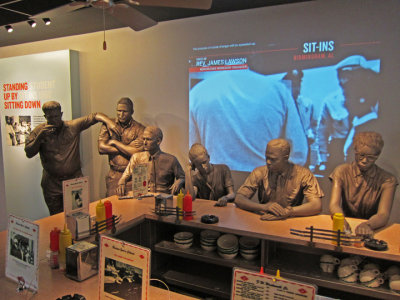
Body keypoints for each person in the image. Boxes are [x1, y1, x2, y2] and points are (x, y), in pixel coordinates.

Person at [189, 68, 308, 172]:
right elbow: (298, 153)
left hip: (213, 188)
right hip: (265, 189)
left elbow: (191, 151)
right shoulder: (278, 90)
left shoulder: (198, 93)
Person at [24, 101, 116, 215]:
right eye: (50, 117)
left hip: (74, 180)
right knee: (56, 218)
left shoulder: (72, 126)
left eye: (56, 116)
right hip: (52, 184)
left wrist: (110, 122)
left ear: (61, 114)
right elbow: (29, 153)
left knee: (79, 216)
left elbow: (95, 116)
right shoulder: (39, 131)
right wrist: (39, 138)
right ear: (45, 117)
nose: (54, 120)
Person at [316, 55, 380, 173]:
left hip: (363, 150)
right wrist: (323, 160)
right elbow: (322, 133)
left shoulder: (372, 99)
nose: (344, 82)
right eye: (343, 78)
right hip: (337, 151)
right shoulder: (331, 101)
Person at [235, 138, 323, 220]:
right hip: (263, 221)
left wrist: (288, 212)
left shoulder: (304, 175)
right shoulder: (259, 172)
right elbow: (239, 198)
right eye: (267, 157)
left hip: (290, 222)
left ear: (286, 158)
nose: (268, 162)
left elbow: (316, 205)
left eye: (273, 159)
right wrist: (264, 207)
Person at [329, 132, 398, 236]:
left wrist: (368, 225)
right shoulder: (341, 172)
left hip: (373, 228)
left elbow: (383, 214)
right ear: (355, 152)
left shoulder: (388, 180)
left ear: (377, 156)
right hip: (345, 225)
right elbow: (334, 204)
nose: (365, 160)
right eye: (361, 155)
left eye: (371, 157)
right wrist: (341, 220)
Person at [117, 126, 184, 196]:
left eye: (148, 139)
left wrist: (179, 181)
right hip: (142, 197)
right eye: (143, 139)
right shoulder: (136, 158)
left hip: (163, 199)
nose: (144, 142)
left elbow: (182, 177)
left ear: (158, 141)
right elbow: (125, 175)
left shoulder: (171, 160)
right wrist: (122, 182)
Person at [98, 97, 145, 196]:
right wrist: (128, 147)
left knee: (134, 207)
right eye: (119, 111)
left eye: (125, 111)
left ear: (132, 112)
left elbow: (136, 152)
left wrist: (115, 142)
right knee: (113, 206)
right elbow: (101, 148)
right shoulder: (108, 124)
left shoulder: (140, 128)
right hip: (114, 175)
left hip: (133, 176)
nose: (121, 114)